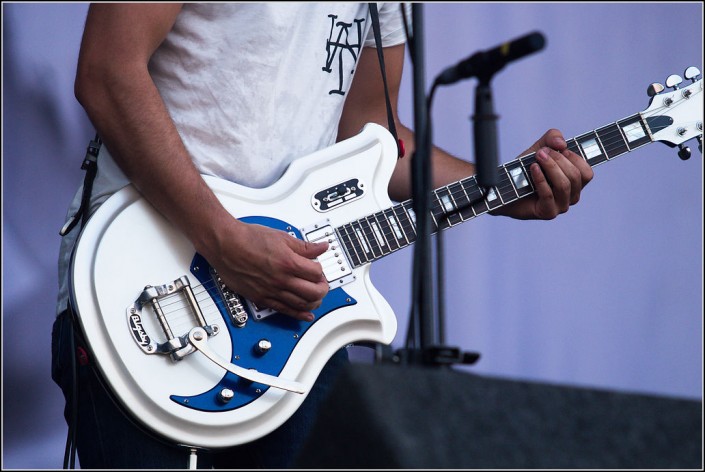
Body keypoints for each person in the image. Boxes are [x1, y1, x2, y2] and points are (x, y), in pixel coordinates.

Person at [52, 3, 594, 469]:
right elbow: (106, 71)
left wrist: (499, 188)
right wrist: (223, 241)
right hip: (145, 287)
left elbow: (374, 138)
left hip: (294, 311)